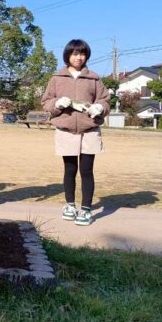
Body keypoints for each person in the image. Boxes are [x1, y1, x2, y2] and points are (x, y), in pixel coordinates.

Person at [41, 39, 110, 226]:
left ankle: (86, 209)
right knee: (70, 169)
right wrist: (56, 104)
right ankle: (70, 205)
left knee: (87, 170)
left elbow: (105, 101)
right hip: (66, 130)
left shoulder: (94, 78)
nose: (78, 57)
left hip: (90, 129)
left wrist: (99, 108)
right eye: (74, 54)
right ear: (67, 55)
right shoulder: (57, 78)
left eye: (82, 53)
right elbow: (46, 102)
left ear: (86, 55)